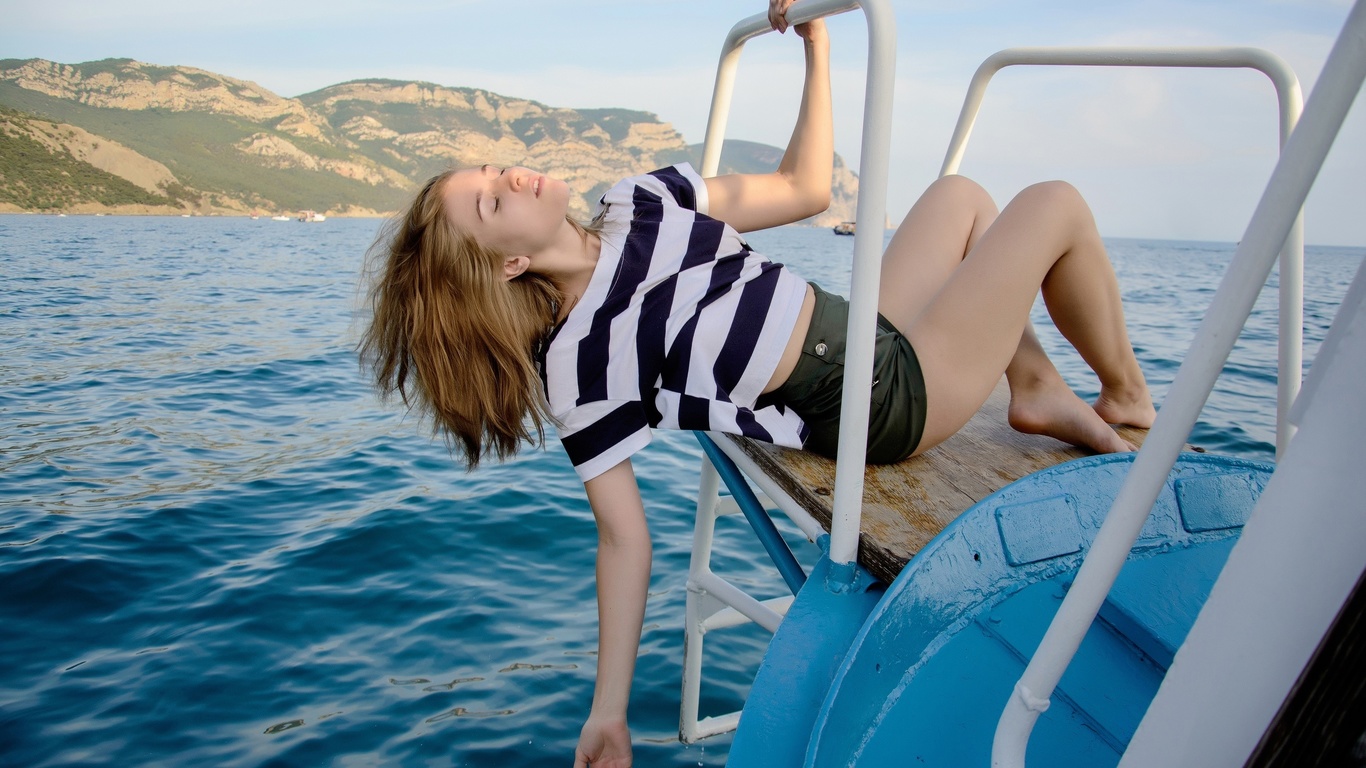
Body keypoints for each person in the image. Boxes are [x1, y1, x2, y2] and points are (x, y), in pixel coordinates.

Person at [358, 2, 1155, 764]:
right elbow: (622, 539)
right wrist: (607, 710)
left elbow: (805, 187)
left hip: (865, 328)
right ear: (507, 264)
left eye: (494, 169)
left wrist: (814, 45)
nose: (515, 176)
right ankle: (1126, 398)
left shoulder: (637, 201)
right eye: (493, 200)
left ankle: (1037, 384)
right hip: (879, 401)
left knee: (962, 199)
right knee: (1055, 204)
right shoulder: (582, 361)